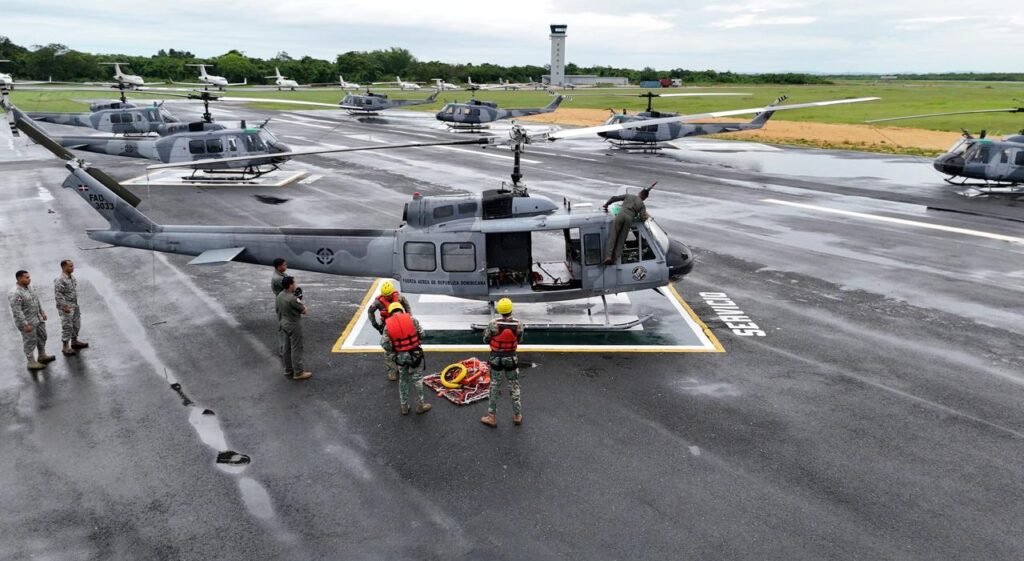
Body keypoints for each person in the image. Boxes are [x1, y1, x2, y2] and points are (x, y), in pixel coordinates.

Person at [380, 302, 430, 416]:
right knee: (417, 378)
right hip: (415, 355)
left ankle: (404, 407)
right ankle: (420, 406)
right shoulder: (412, 320)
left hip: (400, 357)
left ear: (390, 312)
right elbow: (422, 334)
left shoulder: (388, 326)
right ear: (401, 310)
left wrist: (394, 352)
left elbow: (385, 344)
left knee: (403, 380)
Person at [481, 298, 524, 427]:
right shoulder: (519, 324)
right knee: (514, 386)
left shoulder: (492, 324)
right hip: (511, 358)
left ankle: (492, 417)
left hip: (496, 359)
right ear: (511, 309)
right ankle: (517, 415)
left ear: (499, 310)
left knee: (494, 386)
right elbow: (520, 340)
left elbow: (485, 339)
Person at [8, 270, 55, 371]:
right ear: (19, 278)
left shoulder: (30, 287)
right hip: (27, 322)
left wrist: (42, 313)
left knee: (42, 336)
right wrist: (25, 324)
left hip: (37, 318)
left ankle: (42, 355)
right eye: (27, 277)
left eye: (29, 277)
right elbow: (17, 311)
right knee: (30, 341)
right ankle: (31, 362)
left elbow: (37, 300)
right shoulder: (15, 292)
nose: (29, 279)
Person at [367, 280, 410, 381]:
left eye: (388, 295)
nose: (386, 297)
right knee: (389, 350)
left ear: (392, 293)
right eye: (384, 295)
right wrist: (375, 324)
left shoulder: (399, 298)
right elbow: (370, 311)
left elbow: (407, 305)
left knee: (402, 347)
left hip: (400, 326)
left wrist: (409, 317)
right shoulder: (378, 302)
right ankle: (392, 370)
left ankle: (403, 366)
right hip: (387, 327)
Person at [602, 185, 652, 266]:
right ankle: (614, 259)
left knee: (613, 236)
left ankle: (608, 256)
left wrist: (606, 204)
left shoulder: (629, 196)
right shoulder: (642, 205)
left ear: (639, 193)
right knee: (621, 240)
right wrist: (643, 216)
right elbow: (643, 218)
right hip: (629, 219)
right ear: (645, 198)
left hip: (621, 215)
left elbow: (614, 198)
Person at [276, 275, 311, 381]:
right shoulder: (292, 299)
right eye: (294, 283)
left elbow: (278, 309)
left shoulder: (280, 295)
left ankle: (288, 369)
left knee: (286, 347)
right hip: (293, 324)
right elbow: (304, 311)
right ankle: (298, 372)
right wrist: (300, 301)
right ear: (291, 285)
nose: (295, 284)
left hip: (284, 322)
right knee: (296, 347)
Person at [54, 259, 88, 356]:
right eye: (70, 266)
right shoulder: (60, 280)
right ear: (64, 267)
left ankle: (74, 341)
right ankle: (65, 347)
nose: (72, 268)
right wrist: (64, 307)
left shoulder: (71, 277)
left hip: (74, 305)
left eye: (72, 266)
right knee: (67, 326)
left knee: (76, 324)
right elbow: (58, 295)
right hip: (67, 306)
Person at [271, 258, 288, 357]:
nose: (286, 266)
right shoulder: (278, 278)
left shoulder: (282, 275)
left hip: (284, 301)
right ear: (279, 266)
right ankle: (283, 349)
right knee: (283, 326)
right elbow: (291, 288)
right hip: (282, 303)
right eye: (284, 265)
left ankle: (285, 347)